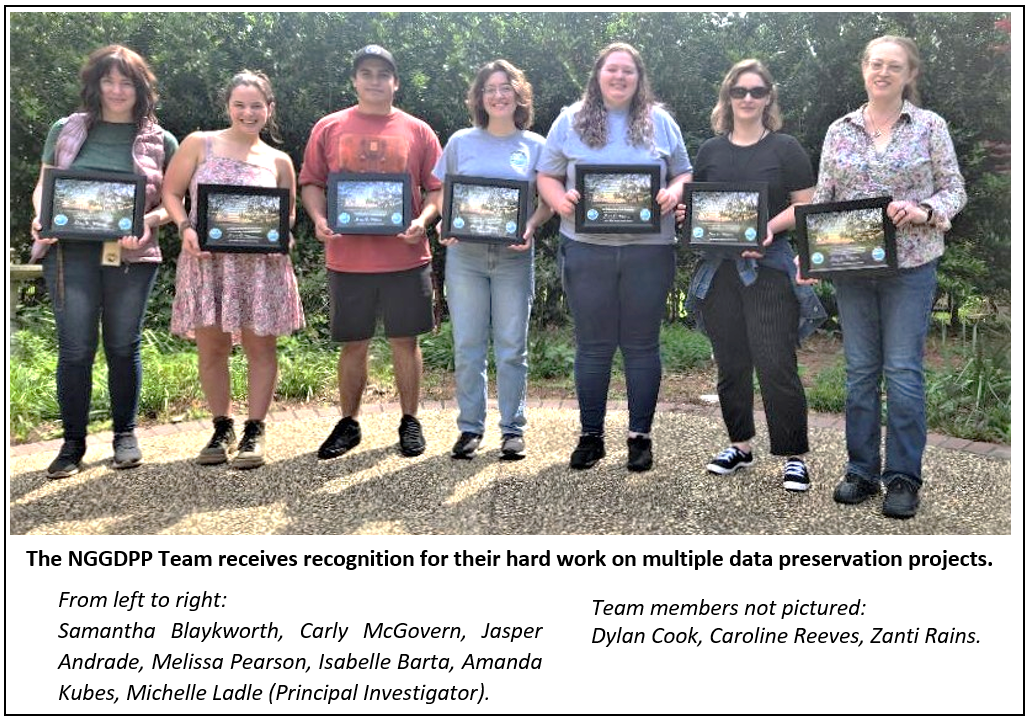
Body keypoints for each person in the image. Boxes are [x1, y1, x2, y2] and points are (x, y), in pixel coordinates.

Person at [814, 35, 966, 518]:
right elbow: (823, 200)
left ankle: (902, 476)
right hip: (853, 268)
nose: (883, 72)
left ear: (909, 74)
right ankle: (861, 470)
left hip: (911, 267)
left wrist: (923, 210)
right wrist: (811, 254)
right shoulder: (838, 130)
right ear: (864, 69)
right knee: (860, 371)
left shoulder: (929, 126)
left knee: (902, 371)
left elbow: (954, 189)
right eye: (876, 64)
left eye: (894, 66)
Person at [537, 42, 692, 472]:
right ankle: (591, 436)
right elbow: (546, 175)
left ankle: (640, 437)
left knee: (642, 345)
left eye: (628, 71)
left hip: (649, 251)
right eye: (612, 69)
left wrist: (674, 191)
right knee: (593, 346)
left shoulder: (661, 122)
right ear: (598, 74)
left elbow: (683, 172)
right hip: (586, 250)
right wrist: (560, 200)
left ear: (639, 78)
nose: (620, 77)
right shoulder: (570, 120)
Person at [30, 44, 178, 480]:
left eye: (125, 82)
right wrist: (42, 217)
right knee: (76, 349)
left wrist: (148, 220)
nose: (116, 90)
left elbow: (174, 203)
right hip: (69, 253)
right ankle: (72, 444)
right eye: (108, 80)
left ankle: (124, 436)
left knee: (123, 346)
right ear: (94, 84)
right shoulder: (65, 129)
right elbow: (44, 186)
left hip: (132, 256)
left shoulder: (162, 140)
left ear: (140, 87)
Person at [685, 59, 825, 492]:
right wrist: (687, 218)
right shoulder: (710, 151)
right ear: (728, 97)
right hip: (720, 272)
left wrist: (767, 228)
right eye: (740, 91)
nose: (748, 98)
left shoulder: (785, 148)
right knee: (731, 363)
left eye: (757, 91)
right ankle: (739, 445)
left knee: (776, 362)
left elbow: (806, 205)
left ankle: (794, 456)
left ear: (768, 99)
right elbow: (700, 207)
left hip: (769, 268)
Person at [300, 45, 443, 459]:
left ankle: (410, 420)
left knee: (405, 342)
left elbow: (436, 189)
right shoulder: (328, 127)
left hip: (406, 257)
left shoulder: (419, 131)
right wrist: (318, 218)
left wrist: (424, 221)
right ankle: (349, 423)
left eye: (383, 74)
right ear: (355, 80)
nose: (375, 80)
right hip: (348, 259)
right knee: (353, 344)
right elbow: (311, 182)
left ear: (396, 82)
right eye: (367, 73)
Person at [164, 71, 305, 469]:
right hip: (208, 263)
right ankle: (221, 427)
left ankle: (255, 430)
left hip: (261, 268)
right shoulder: (199, 143)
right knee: (213, 348)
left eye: (256, 106)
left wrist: (283, 234)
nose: (248, 113)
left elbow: (287, 213)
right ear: (227, 106)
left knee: (262, 348)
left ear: (269, 109)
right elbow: (171, 192)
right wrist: (185, 226)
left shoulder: (279, 161)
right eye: (239, 105)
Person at [432, 60, 553, 461]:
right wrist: (444, 222)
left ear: (519, 95)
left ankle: (512, 430)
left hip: (514, 258)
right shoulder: (460, 142)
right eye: (490, 89)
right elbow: (443, 194)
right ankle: (470, 428)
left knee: (511, 348)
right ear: (479, 97)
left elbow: (547, 204)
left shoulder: (536, 146)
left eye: (506, 88)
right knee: (468, 346)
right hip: (464, 258)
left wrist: (531, 225)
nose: (498, 95)